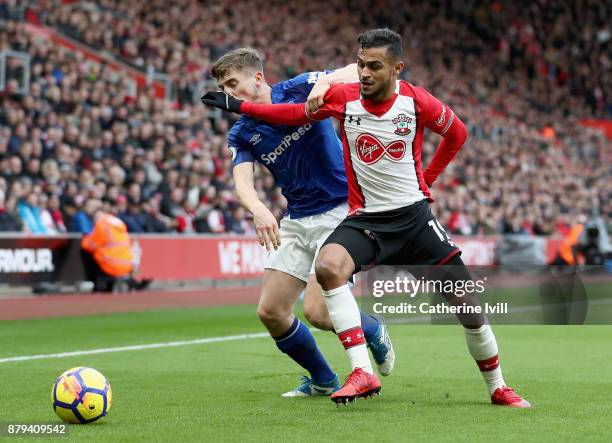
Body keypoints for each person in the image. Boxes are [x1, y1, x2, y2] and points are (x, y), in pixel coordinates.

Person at [202, 29, 530, 408]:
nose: (364, 73)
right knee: (281, 304)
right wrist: (257, 202)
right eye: (362, 65)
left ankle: (494, 384)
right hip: (330, 218)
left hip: (374, 211)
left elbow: (454, 132)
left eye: (233, 83)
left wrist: (429, 179)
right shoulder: (258, 126)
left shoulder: (394, 96)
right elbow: (269, 146)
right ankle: (341, 376)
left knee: (459, 306)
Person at [208, 47, 395, 397]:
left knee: (319, 313)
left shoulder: (298, 88)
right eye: (225, 89)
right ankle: (324, 380)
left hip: (340, 211)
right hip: (295, 218)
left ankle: (372, 329)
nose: (229, 94)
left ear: (258, 78)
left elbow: (356, 72)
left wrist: (324, 84)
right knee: (271, 311)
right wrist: (258, 209)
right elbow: (242, 183)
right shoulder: (243, 132)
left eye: (233, 83)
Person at [81, 201, 135, 292]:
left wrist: (86, 238)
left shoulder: (102, 225)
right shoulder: (118, 222)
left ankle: (95, 283)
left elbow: (88, 246)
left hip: (111, 265)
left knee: (86, 253)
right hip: (127, 264)